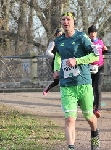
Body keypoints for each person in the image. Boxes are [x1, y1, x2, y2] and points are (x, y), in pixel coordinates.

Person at [53, 12, 100, 150]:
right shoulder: (59, 40)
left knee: (89, 117)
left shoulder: (82, 37)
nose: (65, 22)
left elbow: (94, 56)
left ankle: (95, 134)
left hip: (84, 83)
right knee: (69, 118)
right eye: (63, 19)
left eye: (68, 19)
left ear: (73, 21)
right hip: (67, 85)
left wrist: (77, 61)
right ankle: (71, 147)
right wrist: (56, 69)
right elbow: (57, 57)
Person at [88, 25, 108, 118]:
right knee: (90, 88)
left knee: (97, 87)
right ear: (89, 34)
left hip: (100, 67)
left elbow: (104, 49)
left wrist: (105, 49)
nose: (93, 34)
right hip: (89, 68)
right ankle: (91, 105)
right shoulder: (87, 43)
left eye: (94, 32)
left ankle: (97, 109)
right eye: (91, 32)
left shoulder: (100, 42)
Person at [43, 28, 62, 96]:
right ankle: (48, 88)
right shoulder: (53, 42)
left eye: (61, 34)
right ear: (56, 35)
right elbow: (48, 52)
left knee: (64, 79)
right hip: (55, 62)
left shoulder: (65, 42)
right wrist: (55, 56)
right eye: (58, 34)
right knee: (56, 81)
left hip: (64, 62)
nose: (60, 36)